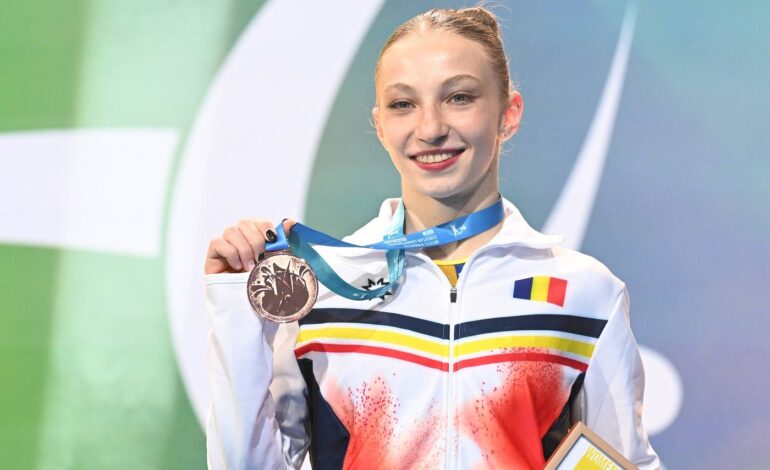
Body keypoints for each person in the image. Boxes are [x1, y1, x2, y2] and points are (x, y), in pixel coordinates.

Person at [203, 6, 660, 470]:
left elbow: (624, 462)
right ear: (380, 125)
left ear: (508, 113)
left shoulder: (584, 293)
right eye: (403, 104)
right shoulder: (324, 289)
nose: (430, 129)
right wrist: (237, 310)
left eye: (459, 97)